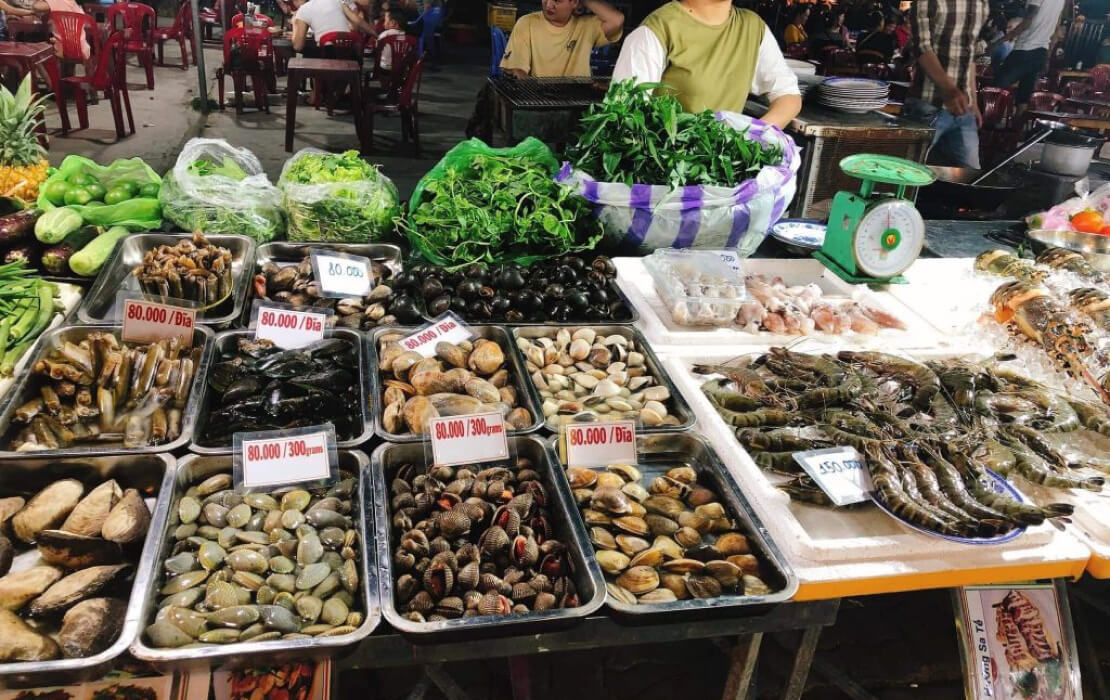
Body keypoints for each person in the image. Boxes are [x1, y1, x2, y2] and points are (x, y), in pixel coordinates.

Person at [611, 0, 801, 127]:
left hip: (720, 173)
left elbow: (788, 94)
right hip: (665, 173)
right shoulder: (657, 30)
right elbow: (622, 118)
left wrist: (753, 137)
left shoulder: (753, 28)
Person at [902, 0, 987, 169]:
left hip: (964, 108)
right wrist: (950, 90)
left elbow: (969, 55)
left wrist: (974, 103)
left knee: (970, 175)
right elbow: (922, 47)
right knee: (909, 171)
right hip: (928, 104)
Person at [499, 0, 625, 78]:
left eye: (557, 0)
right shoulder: (526, 24)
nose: (549, 4)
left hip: (578, 100)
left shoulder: (587, 26)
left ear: (574, 3)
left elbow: (617, 20)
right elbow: (517, 71)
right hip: (539, 100)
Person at [991, 0, 1066, 116]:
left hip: (1024, 50)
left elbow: (1027, 22)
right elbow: (1056, 27)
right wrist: (1048, 56)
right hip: (1041, 52)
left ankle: (990, 124)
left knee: (995, 88)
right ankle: (1017, 130)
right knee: (1024, 97)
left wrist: (998, 42)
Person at [1, 0, 89, 60]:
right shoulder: (75, 3)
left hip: (62, 50)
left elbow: (36, 7)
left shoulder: (55, 1)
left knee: (35, 50)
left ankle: (50, 83)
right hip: (82, 49)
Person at [291, 0, 360, 50]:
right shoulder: (340, 2)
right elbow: (357, 20)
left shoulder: (305, 8)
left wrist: (295, 23)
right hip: (351, 53)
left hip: (326, 55)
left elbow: (297, 46)